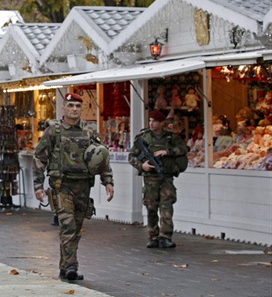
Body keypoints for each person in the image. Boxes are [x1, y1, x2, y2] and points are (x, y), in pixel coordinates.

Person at [33, 93, 114, 281]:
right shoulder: (54, 131)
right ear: (64, 108)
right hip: (62, 186)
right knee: (67, 225)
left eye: (78, 106)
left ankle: (65, 266)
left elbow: (101, 157)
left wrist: (108, 181)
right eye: (70, 105)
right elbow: (40, 157)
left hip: (83, 186)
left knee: (76, 228)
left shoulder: (89, 131)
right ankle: (71, 267)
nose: (74, 109)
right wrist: (38, 185)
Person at [128, 110, 189, 249]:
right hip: (150, 179)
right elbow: (131, 156)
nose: (151, 123)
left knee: (166, 206)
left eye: (154, 121)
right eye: (150, 120)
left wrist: (167, 152)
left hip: (166, 177)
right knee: (151, 208)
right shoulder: (144, 138)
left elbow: (184, 148)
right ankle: (153, 236)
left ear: (162, 123)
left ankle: (166, 236)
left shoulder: (171, 138)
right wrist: (142, 165)